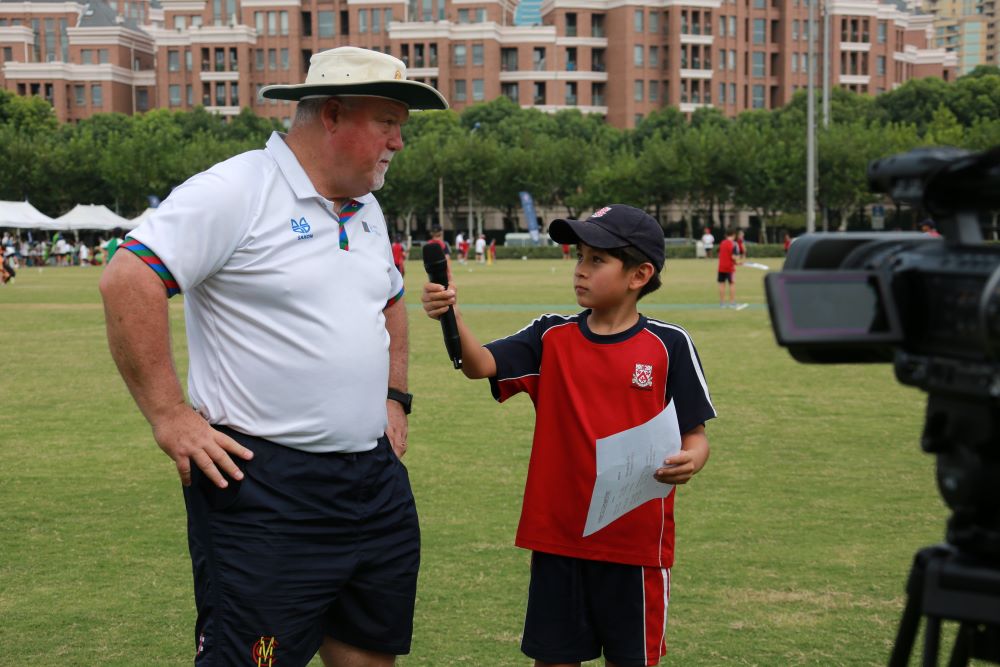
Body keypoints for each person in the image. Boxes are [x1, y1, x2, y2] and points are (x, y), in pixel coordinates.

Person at [99, 46, 448, 667]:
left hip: (373, 482)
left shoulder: (366, 205)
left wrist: (395, 398)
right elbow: (129, 279)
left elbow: (390, 298)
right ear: (333, 115)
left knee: (370, 653)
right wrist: (170, 415)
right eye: (388, 121)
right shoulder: (237, 190)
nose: (399, 141)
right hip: (265, 487)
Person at [421, 204, 715, 667]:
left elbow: (694, 435)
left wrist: (691, 459)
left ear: (639, 274)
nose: (580, 271)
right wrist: (449, 315)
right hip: (558, 540)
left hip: (634, 547)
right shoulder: (550, 336)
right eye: (579, 256)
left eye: (597, 260)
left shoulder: (669, 345)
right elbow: (479, 366)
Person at [717, 227, 740, 308]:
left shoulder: (722, 243)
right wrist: (737, 261)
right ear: (734, 235)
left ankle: (722, 303)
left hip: (721, 267)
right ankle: (732, 302)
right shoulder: (734, 244)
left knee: (721, 285)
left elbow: (719, 254)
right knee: (732, 284)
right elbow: (734, 257)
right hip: (730, 268)